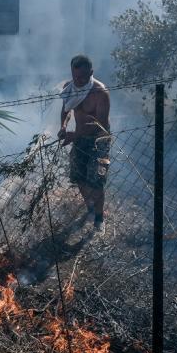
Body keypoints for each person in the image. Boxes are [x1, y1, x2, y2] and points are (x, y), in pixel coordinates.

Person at [58, 55, 111, 228]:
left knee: (96, 180)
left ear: (91, 73)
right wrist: (63, 127)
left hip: (98, 140)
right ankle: (89, 206)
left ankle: (99, 218)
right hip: (80, 138)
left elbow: (100, 125)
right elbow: (66, 111)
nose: (78, 80)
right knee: (78, 176)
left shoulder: (100, 93)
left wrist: (74, 135)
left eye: (82, 77)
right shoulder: (69, 88)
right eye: (75, 76)